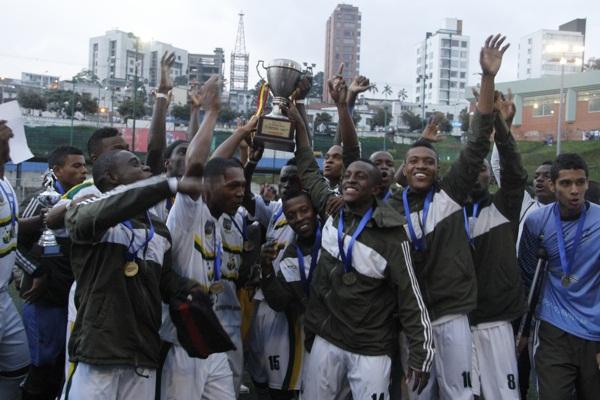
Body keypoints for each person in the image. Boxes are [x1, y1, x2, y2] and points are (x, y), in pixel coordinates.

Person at [386, 34, 506, 400]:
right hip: (414, 319)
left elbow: (478, 140)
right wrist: (422, 140)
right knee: (418, 394)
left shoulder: (450, 194)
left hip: (453, 314)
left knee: (460, 394)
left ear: (439, 170)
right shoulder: (391, 208)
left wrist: (487, 78)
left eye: (429, 162)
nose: (421, 166)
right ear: (404, 170)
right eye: (414, 162)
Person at [288, 99, 433, 399]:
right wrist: (300, 126)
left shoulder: (392, 236)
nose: (350, 179)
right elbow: (307, 165)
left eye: (360, 177)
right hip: (327, 338)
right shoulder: (333, 210)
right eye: (347, 176)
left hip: (370, 347)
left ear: (377, 188)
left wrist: (420, 353)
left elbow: (411, 297)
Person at [159, 75, 253, 399]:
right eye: (233, 187)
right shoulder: (188, 212)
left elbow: (215, 166)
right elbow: (199, 166)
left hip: (209, 336)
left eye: (243, 186)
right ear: (208, 188)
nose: (241, 193)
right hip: (183, 340)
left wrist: (240, 133)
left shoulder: (225, 219)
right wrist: (212, 113)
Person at [519, 153, 600, 400]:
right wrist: (523, 329)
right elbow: (528, 275)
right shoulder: (536, 222)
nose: (574, 190)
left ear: (587, 183)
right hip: (553, 329)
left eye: (580, 182)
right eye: (566, 183)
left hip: (595, 332)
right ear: (553, 186)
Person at [465, 103, 527, 399]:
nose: (477, 174)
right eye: (472, 169)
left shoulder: (505, 206)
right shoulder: (445, 210)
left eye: (483, 169)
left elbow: (514, 172)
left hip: (496, 321)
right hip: (456, 321)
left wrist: (500, 125)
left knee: (503, 394)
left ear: (490, 176)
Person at [17, 146, 87, 400]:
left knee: (61, 364)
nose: (83, 170)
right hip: (44, 298)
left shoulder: (85, 198)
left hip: (70, 299)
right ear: (57, 170)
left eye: (83, 165)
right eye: (76, 166)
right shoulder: (41, 200)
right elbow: (12, 242)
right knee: (41, 364)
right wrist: (35, 271)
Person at [0, 120, 30, 399]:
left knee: (18, 368)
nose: (10, 133)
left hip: (4, 296)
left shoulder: (6, 183)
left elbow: (14, 230)